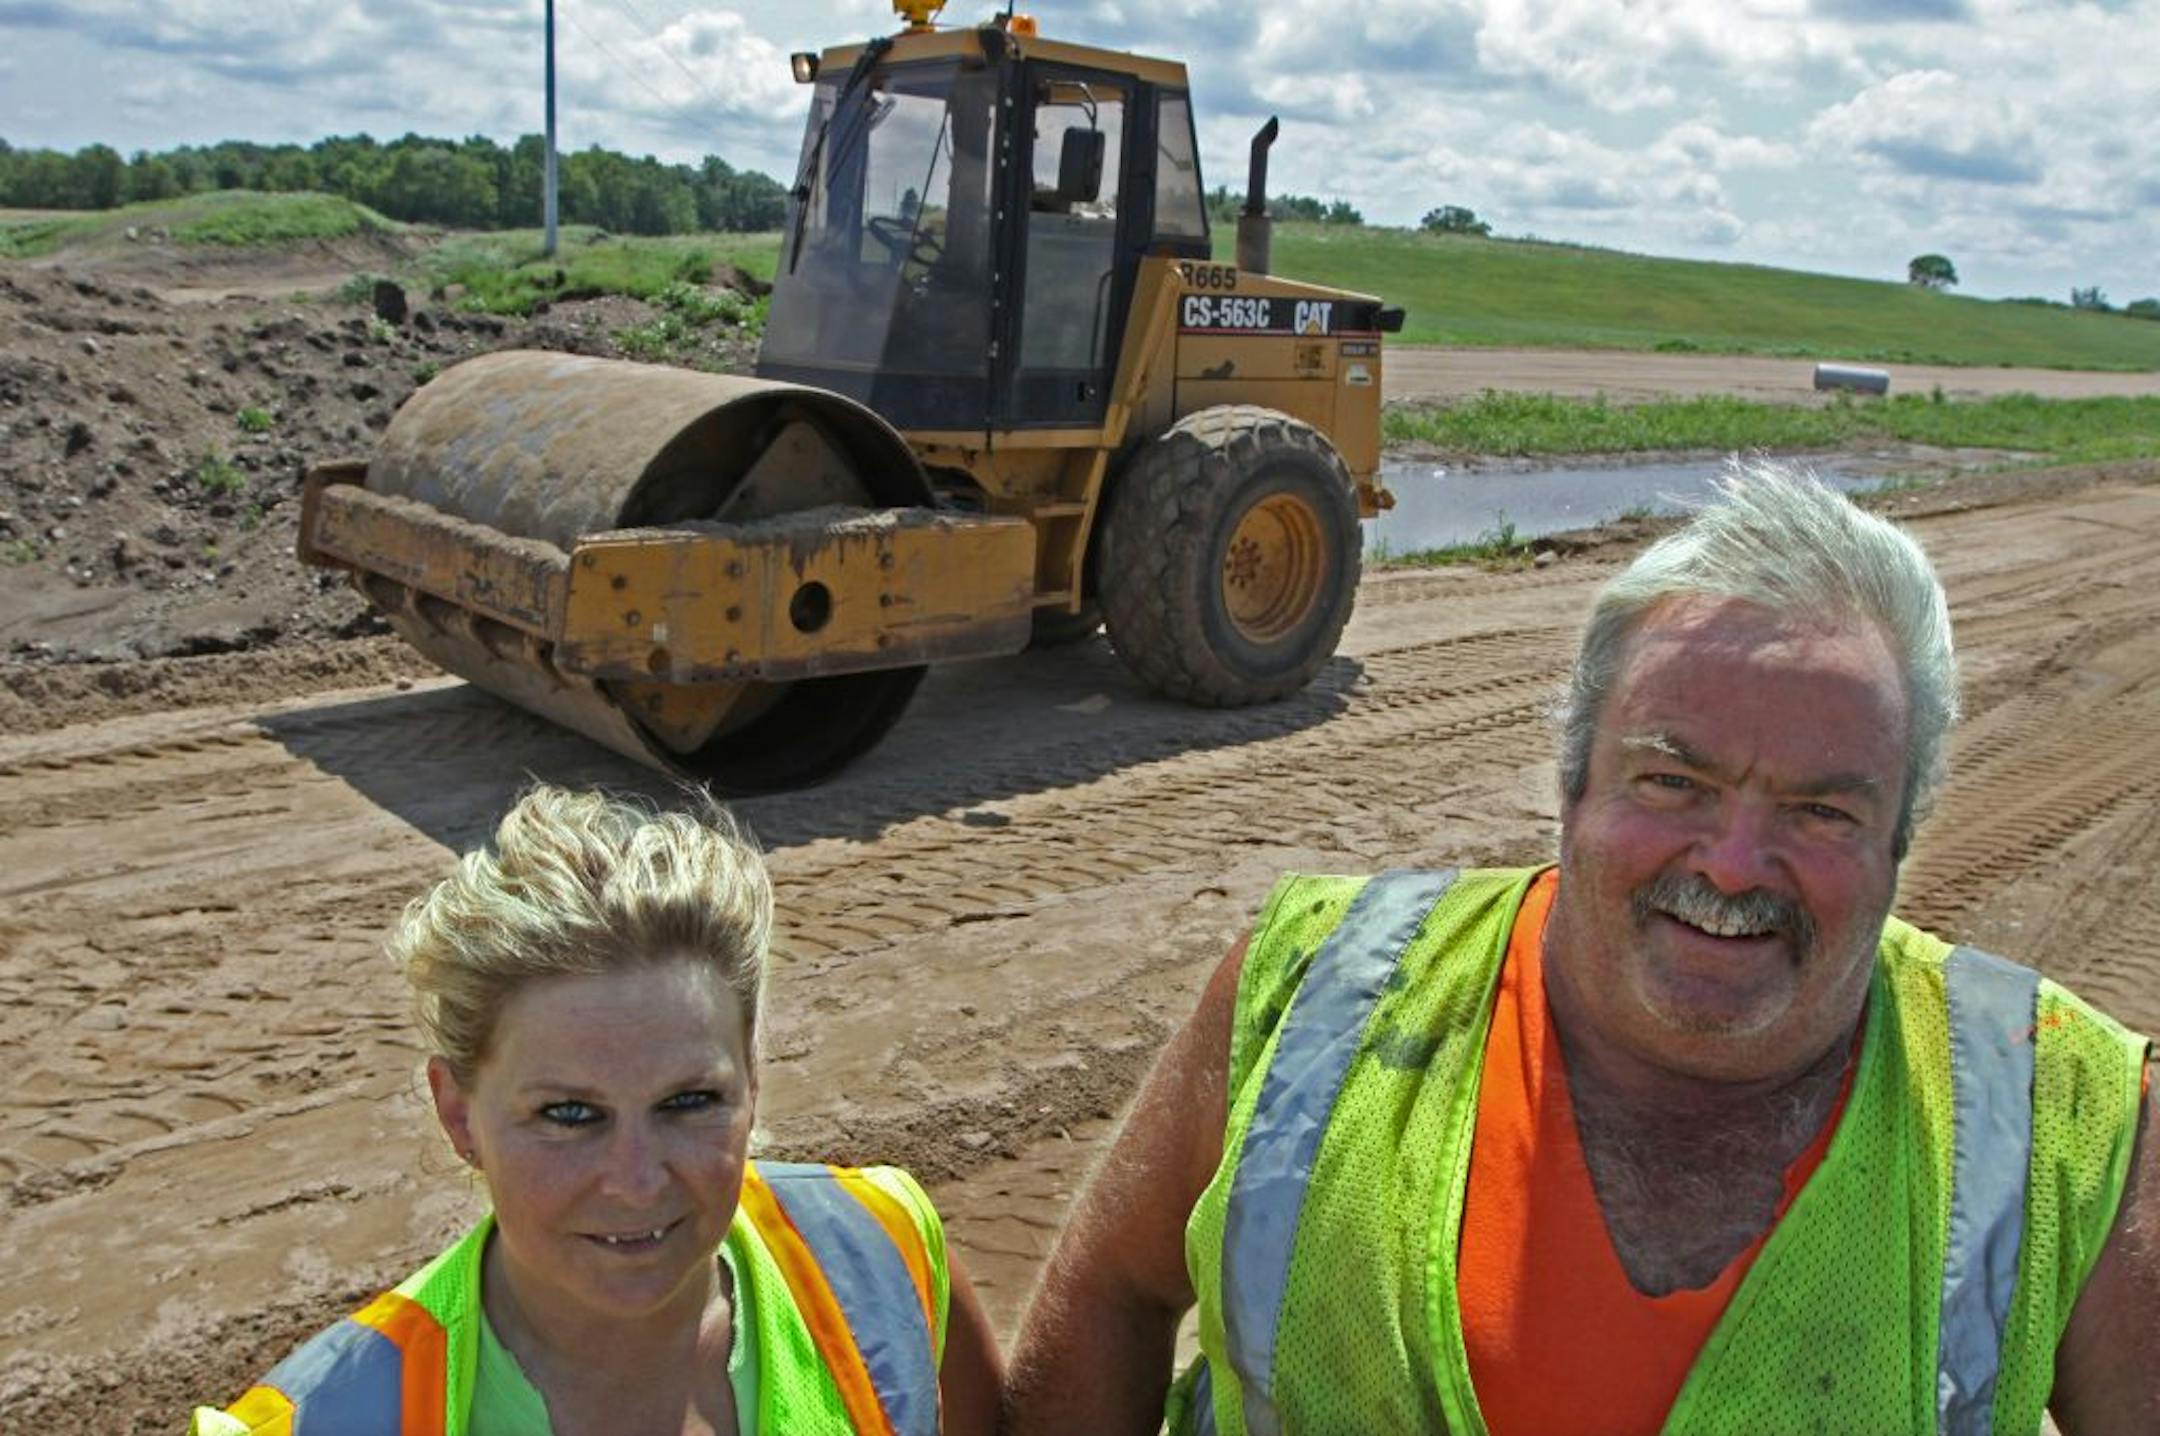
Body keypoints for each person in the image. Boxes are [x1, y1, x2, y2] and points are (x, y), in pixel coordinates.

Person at [1003, 462, 2157, 1434]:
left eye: (1822, 812)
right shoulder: (1316, 986)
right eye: (1674, 780)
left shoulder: (2064, 1111)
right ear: (1572, 786)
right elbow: (1111, 1288)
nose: (1733, 863)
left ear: (1900, 837)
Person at [191, 785, 1000, 1435]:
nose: (637, 1182)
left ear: (752, 1083)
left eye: (690, 1101)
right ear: (459, 1114)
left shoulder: (883, 1248)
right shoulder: (313, 1422)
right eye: (569, 1116)